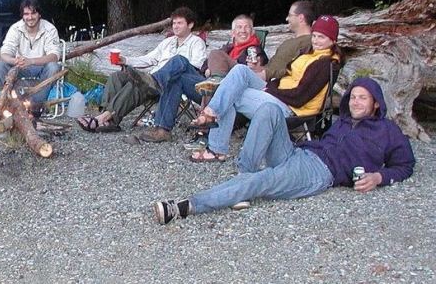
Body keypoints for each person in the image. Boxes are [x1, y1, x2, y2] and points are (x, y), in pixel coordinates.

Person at [153, 77, 415, 224]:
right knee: (269, 110)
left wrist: (379, 177)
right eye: (354, 96)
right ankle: (245, 175)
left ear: (376, 104)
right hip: (299, 152)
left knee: (263, 180)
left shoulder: (388, 131)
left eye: (363, 98)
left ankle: (186, 206)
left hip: (319, 173)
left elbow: (405, 165)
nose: (356, 101)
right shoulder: (344, 120)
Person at [189, 15, 343, 162]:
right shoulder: (309, 54)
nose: (316, 40)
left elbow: (301, 95)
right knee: (240, 71)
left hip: (291, 108)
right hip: (279, 96)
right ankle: (211, 113)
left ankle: (215, 144)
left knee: (230, 93)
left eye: (321, 37)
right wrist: (270, 87)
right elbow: (285, 79)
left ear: (333, 40)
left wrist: (270, 91)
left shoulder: (326, 63)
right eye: (314, 36)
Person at [76, 7, 207, 135]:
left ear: (190, 25)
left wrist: (171, 67)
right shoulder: (168, 42)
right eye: (174, 23)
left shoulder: (197, 43)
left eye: (180, 23)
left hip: (171, 84)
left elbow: (196, 66)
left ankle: (102, 119)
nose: (175, 26)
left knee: (173, 63)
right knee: (117, 77)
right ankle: (109, 120)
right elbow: (148, 59)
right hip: (151, 79)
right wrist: (125, 60)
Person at [0, 0, 61, 107]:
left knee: (54, 67)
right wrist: (14, 60)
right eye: (26, 14)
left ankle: (35, 105)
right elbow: (5, 52)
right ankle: (16, 102)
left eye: (33, 13)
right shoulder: (15, 28)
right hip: (20, 67)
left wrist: (31, 61)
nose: (30, 17)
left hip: (42, 68)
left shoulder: (49, 29)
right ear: (22, 16)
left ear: (39, 14)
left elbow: (54, 56)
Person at [196, 14, 268, 93]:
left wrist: (256, 65)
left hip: (240, 83)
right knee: (208, 88)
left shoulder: (255, 49)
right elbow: (206, 63)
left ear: (252, 32)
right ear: (233, 33)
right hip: (224, 85)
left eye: (247, 27)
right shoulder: (227, 48)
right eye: (239, 27)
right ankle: (216, 80)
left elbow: (261, 63)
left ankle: (218, 80)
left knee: (215, 54)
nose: (243, 31)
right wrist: (207, 70)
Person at [250, 1, 315, 82]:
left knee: (239, 71)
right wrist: (259, 68)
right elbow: (273, 67)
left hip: (272, 84)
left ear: (301, 18)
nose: (287, 18)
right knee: (238, 69)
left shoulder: (308, 43)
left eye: (290, 15)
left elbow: (297, 71)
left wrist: (266, 74)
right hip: (263, 77)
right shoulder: (291, 42)